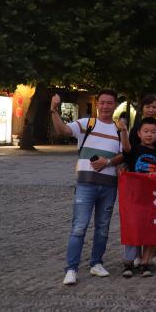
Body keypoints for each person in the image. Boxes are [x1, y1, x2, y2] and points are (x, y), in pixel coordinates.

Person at [50, 90, 126, 286]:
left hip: (109, 186)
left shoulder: (119, 129)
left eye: (110, 103)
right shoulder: (87, 124)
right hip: (86, 184)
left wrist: (107, 162)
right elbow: (62, 131)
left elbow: (124, 154)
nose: (106, 106)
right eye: (102, 102)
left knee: (103, 228)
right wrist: (54, 110)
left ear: (115, 105)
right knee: (79, 227)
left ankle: (96, 263)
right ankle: (71, 269)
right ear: (97, 104)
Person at [122, 117, 156, 278]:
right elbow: (125, 148)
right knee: (133, 228)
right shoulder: (134, 150)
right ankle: (129, 262)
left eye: (153, 132)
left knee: (151, 229)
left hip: (153, 197)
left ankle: (145, 262)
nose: (149, 135)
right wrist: (123, 130)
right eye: (145, 131)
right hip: (135, 196)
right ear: (138, 133)